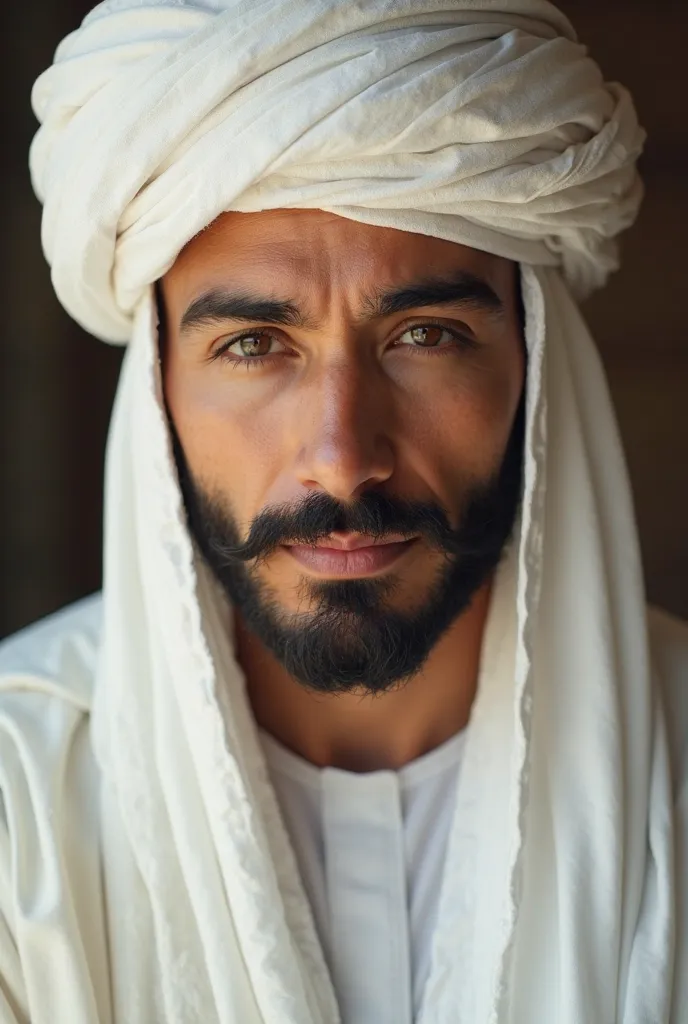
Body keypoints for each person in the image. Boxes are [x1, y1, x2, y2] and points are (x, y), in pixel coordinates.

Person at [0, 0, 685, 1021]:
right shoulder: (18, 807)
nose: (341, 459)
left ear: (536, 363)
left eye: (425, 335)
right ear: (158, 393)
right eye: (252, 346)